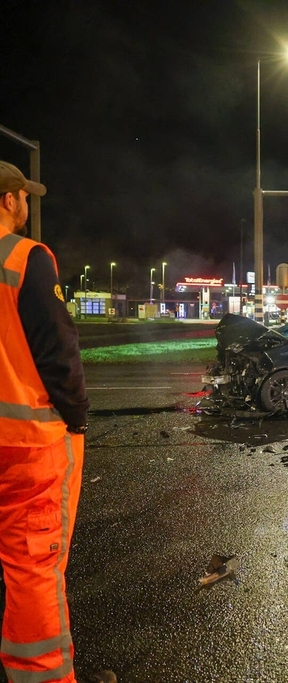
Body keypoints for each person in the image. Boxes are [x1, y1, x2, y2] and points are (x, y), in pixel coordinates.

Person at [0, 161, 113, 682]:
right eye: (25, 196)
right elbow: (59, 351)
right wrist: (77, 418)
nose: (27, 204)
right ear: (9, 200)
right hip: (24, 443)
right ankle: (41, 675)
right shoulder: (25, 258)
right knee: (33, 566)